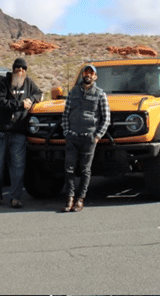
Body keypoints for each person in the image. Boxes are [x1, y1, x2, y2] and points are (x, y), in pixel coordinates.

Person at [0, 57, 41, 208]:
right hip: (2, 132)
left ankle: (15, 197)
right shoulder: (4, 83)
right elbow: (0, 102)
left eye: (23, 68)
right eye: (17, 68)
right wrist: (20, 104)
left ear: (26, 71)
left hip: (19, 132)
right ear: (13, 70)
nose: (20, 71)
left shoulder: (29, 83)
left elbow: (39, 93)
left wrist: (31, 99)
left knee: (18, 167)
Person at [60, 64, 110, 212]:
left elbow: (106, 118)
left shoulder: (100, 94)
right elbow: (66, 114)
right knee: (69, 169)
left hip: (89, 138)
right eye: (86, 72)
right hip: (73, 137)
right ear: (82, 74)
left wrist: (97, 136)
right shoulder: (73, 92)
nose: (88, 74)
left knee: (85, 170)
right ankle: (69, 198)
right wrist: (67, 132)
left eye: (91, 72)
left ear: (95, 76)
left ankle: (80, 199)